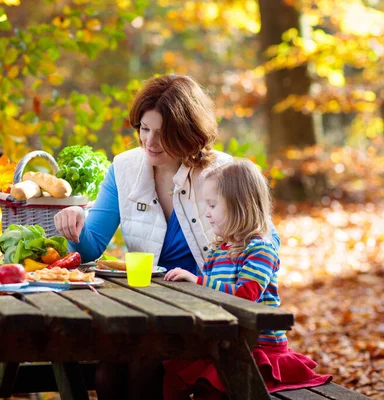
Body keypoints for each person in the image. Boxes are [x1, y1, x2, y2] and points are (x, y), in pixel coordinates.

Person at [54, 74, 235, 399]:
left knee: (143, 367)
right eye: (144, 129)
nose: (149, 141)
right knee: (108, 372)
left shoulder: (222, 173)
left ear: (187, 132)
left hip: (208, 308)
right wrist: (75, 228)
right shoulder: (124, 168)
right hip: (145, 307)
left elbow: (255, 243)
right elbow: (92, 246)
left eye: (162, 133)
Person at [162, 159, 331, 399]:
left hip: (259, 348)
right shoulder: (219, 250)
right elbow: (209, 296)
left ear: (238, 205)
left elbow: (246, 295)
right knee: (170, 375)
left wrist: (197, 282)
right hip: (226, 341)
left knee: (213, 388)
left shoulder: (260, 250)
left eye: (212, 205)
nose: (206, 214)